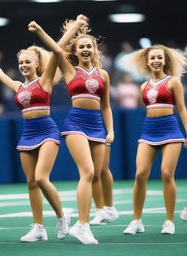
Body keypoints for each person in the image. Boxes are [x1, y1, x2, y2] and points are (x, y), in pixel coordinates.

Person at [0, 21, 70, 243]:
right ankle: (38, 227)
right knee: (30, 181)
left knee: (41, 177)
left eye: (27, 61)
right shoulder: (18, 87)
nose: (23, 65)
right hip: (28, 133)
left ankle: (62, 216)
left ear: (37, 63)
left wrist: (41, 31)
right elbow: (0, 74)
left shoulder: (45, 80)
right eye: (20, 63)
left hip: (47, 131)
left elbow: (58, 50)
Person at [54, 15, 114, 244]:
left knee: (95, 174)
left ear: (95, 49)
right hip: (76, 124)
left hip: (97, 126)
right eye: (81, 47)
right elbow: (58, 48)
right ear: (76, 52)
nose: (86, 49)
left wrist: (111, 130)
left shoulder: (103, 74)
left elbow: (106, 106)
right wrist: (77, 27)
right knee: (87, 172)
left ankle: (83, 223)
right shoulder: (70, 71)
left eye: (89, 46)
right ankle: (83, 225)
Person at [123, 44, 187, 235]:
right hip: (149, 131)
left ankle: (169, 221)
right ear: (148, 61)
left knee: (167, 173)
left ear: (165, 60)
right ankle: (136, 220)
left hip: (171, 130)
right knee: (140, 174)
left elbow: (182, 109)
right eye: (152, 58)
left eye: (159, 57)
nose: (156, 61)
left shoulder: (173, 82)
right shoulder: (143, 86)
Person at [89, 146, 119, 225]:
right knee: (97, 170)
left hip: (101, 135)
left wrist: (110, 132)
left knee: (102, 169)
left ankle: (109, 209)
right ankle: (102, 210)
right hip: (86, 134)